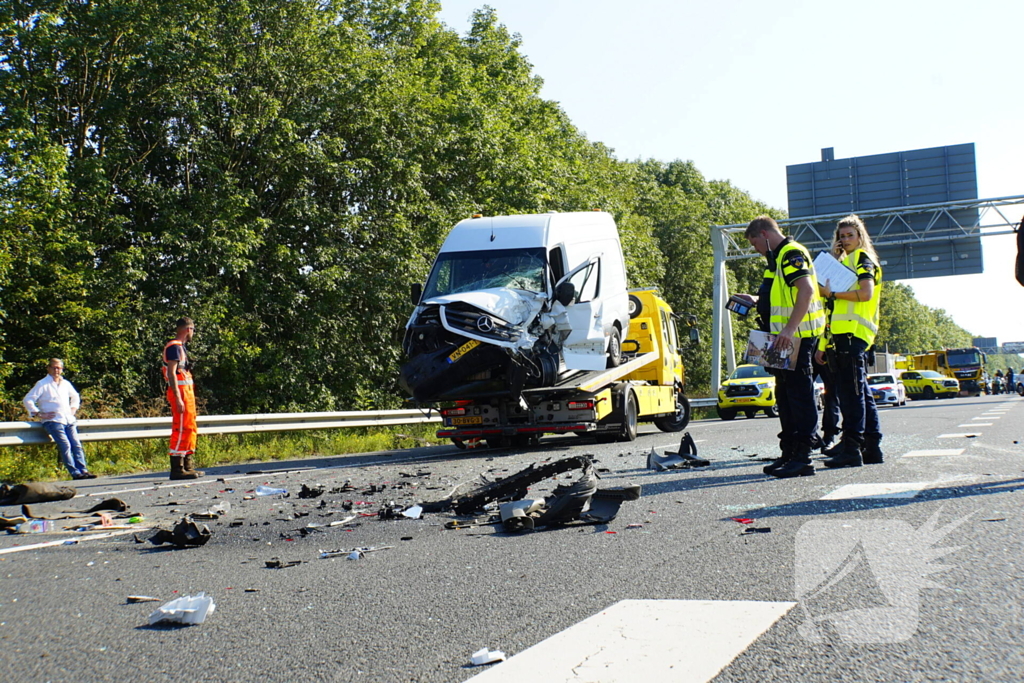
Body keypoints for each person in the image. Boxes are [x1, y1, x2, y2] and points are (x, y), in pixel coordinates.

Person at [739, 216, 826, 478]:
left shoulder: (791, 253)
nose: (756, 249)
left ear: (764, 234)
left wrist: (788, 329)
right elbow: (778, 296)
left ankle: (803, 457)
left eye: (755, 243)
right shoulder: (775, 260)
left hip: (795, 337)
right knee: (785, 397)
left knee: (799, 396)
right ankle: (789, 452)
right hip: (780, 340)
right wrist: (755, 300)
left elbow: (806, 290)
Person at [816, 215, 883, 467]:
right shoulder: (844, 262)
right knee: (860, 393)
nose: (844, 240)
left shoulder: (863, 259)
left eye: (849, 236)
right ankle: (871, 446)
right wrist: (823, 344)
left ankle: (852, 447)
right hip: (840, 334)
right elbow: (831, 308)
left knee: (852, 394)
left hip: (854, 334)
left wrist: (831, 292)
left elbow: (865, 294)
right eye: (841, 237)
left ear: (860, 236)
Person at [22, 358, 96, 480]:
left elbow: (75, 396)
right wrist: (38, 413)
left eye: (59, 368)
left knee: (76, 444)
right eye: (54, 367)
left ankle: (83, 470)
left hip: (68, 419)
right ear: (49, 368)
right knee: (65, 445)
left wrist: (73, 409)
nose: (57, 370)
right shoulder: (42, 384)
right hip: (53, 421)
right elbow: (28, 399)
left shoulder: (65, 383)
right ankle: (75, 472)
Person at [163, 317, 204, 480]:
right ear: (188, 329)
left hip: (186, 392)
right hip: (180, 392)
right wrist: (178, 397)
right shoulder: (174, 346)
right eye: (193, 329)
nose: (193, 333)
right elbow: (172, 373)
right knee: (180, 428)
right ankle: (177, 468)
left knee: (189, 427)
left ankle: (187, 464)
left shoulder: (181, 347)